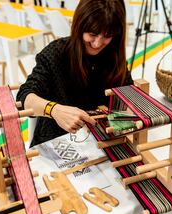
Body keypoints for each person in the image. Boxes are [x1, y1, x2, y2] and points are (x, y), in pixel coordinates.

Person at [17, 0, 133, 147]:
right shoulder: (56, 54)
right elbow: (24, 97)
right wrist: (53, 110)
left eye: (107, 36)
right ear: (79, 26)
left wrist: (126, 116)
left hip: (100, 140)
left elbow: (128, 95)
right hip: (56, 139)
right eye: (92, 34)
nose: (97, 43)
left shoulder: (113, 57)